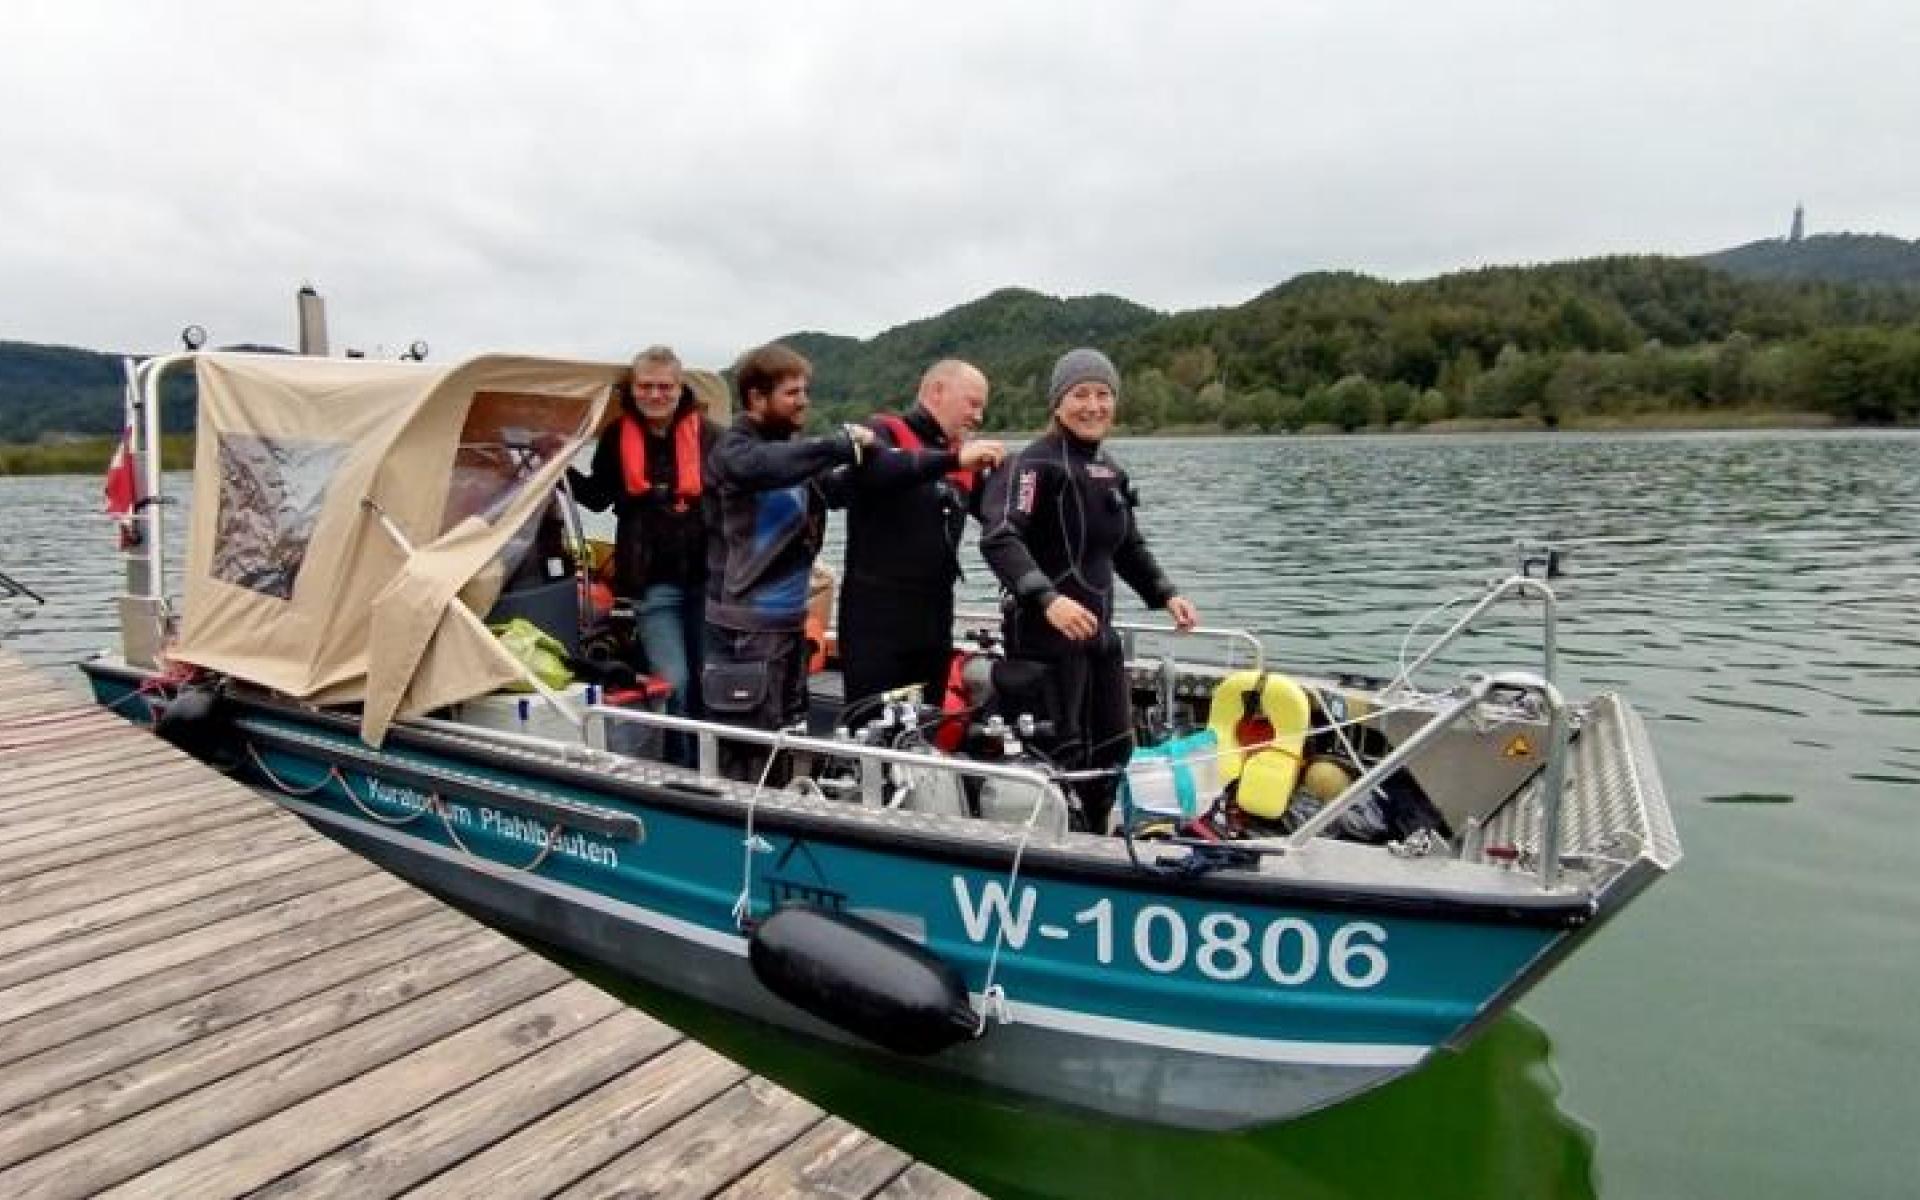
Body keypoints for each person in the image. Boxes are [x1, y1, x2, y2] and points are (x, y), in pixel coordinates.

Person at [979, 348, 1198, 832]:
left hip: (1098, 636)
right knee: (1063, 750)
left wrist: (1166, 593)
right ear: (1058, 403)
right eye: (1080, 394)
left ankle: (1099, 841)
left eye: (1103, 395)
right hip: (1044, 638)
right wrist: (1047, 598)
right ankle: (1054, 844)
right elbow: (1000, 537)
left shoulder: (1109, 471)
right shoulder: (1031, 465)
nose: (1093, 405)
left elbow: (1128, 547)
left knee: (1114, 747)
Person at [704, 343, 874, 773]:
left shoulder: (794, 454)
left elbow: (833, 489)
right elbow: (766, 465)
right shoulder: (734, 450)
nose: (804, 401)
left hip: (787, 627)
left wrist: (874, 460)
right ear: (757, 398)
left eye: (806, 391)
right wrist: (838, 445)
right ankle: (738, 829)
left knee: (786, 737)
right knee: (747, 751)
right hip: (746, 630)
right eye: (792, 393)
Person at [568, 346, 719, 763]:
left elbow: (736, 499)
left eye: (664, 386)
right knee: (674, 682)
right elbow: (597, 499)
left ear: (679, 387)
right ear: (632, 390)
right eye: (646, 386)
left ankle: (714, 768)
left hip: (707, 580)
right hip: (652, 584)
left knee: (709, 680)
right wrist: (559, 465)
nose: (656, 395)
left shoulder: (710, 435)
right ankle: (682, 768)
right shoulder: (617, 438)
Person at [835, 359, 1005, 715]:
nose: (979, 417)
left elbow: (1004, 521)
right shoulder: (883, 431)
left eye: (982, 408)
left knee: (925, 727)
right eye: (973, 403)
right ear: (937, 392)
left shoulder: (964, 463)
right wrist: (954, 458)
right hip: (875, 621)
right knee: (873, 730)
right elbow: (873, 472)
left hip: (933, 620)